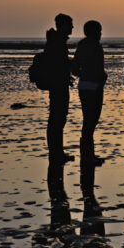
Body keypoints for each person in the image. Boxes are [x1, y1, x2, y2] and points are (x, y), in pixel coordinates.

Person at [73, 20, 107, 166]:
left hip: (83, 85)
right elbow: (99, 69)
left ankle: (87, 155)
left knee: (87, 121)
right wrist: (100, 79)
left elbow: (74, 67)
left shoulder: (81, 45)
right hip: (95, 86)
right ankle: (88, 156)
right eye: (99, 31)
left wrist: (84, 75)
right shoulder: (96, 47)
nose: (101, 34)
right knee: (91, 122)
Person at [45, 13, 74, 164]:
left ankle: (56, 151)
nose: (72, 27)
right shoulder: (57, 42)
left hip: (58, 84)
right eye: (70, 24)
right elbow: (58, 64)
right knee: (58, 118)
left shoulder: (55, 41)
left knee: (57, 119)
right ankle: (56, 153)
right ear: (62, 25)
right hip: (58, 85)